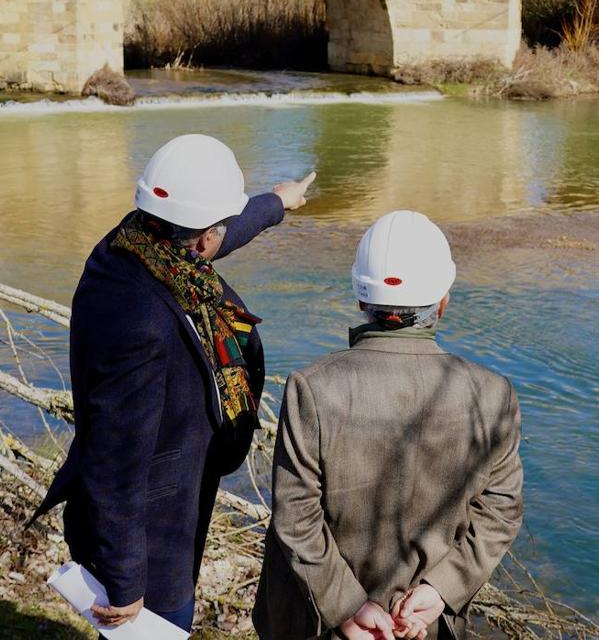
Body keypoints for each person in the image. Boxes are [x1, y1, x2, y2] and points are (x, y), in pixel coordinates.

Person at [31, 133, 315, 632]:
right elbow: (115, 452)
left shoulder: (137, 242)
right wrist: (125, 581)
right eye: (218, 230)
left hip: (168, 500)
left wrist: (277, 202)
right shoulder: (142, 320)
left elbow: (221, 226)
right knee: (164, 626)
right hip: (151, 530)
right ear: (204, 239)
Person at [253, 210, 523, 640]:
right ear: (443, 301)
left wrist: (347, 606)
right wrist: (441, 590)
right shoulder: (492, 394)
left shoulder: (312, 388)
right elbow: (501, 510)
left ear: (362, 299)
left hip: (318, 621)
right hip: (425, 624)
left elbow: (295, 516)